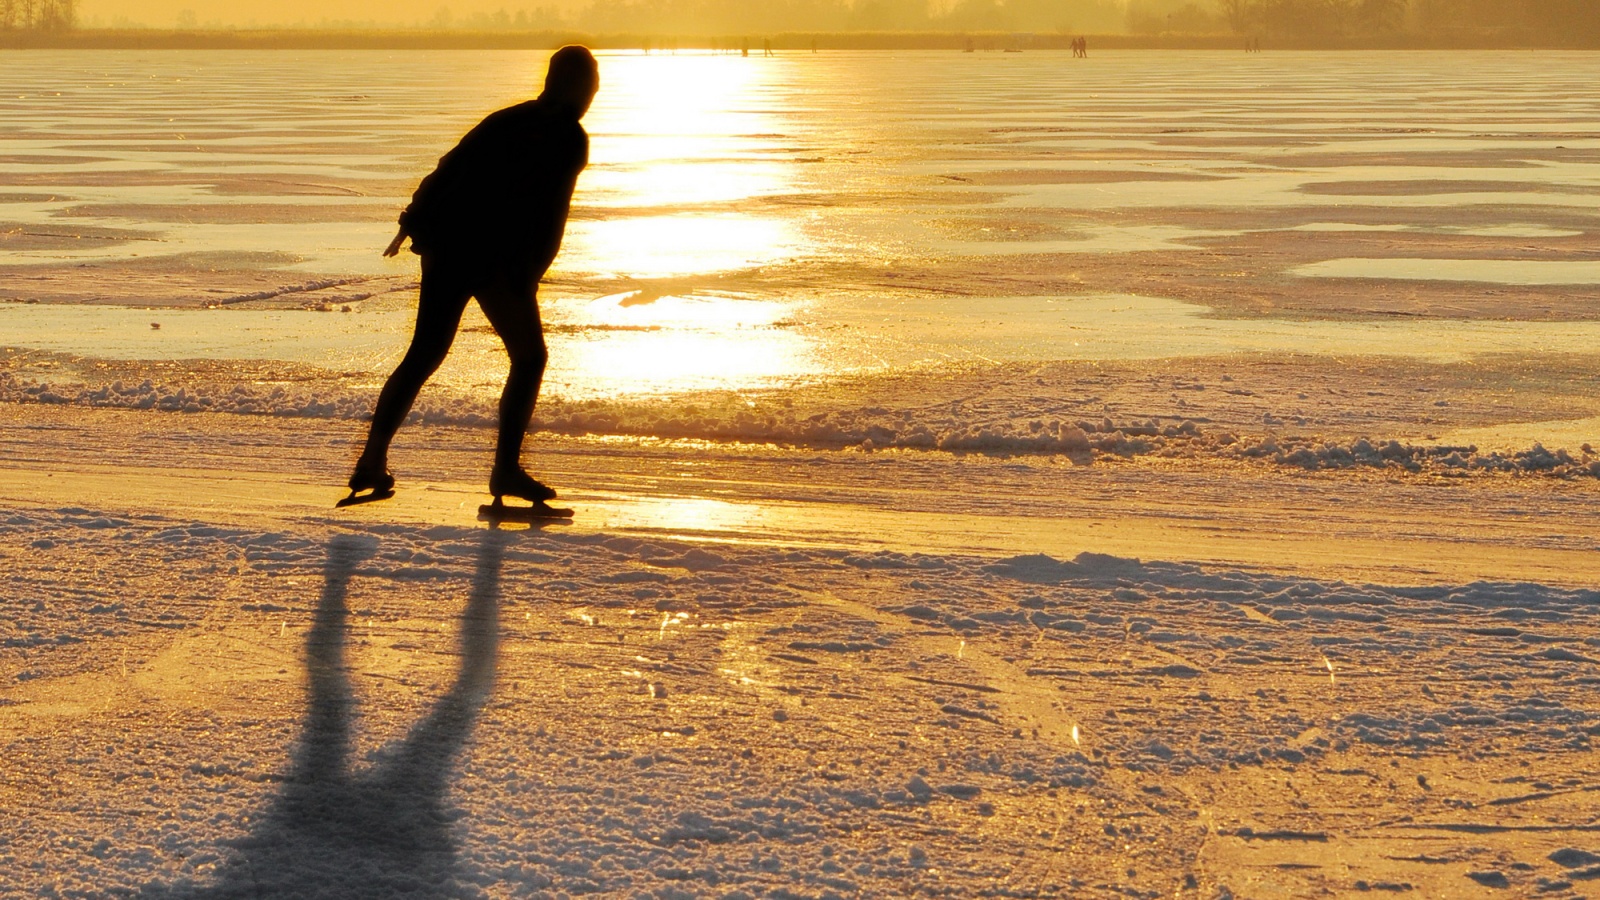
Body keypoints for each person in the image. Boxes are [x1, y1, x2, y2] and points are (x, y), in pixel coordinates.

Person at [342, 45, 598, 511]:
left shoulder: (508, 119)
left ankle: (371, 461)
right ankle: (505, 470)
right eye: (592, 83)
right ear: (577, 86)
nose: (595, 92)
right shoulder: (568, 136)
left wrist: (412, 221)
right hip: (495, 259)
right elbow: (538, 212)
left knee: (424, 354)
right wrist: (525, 276)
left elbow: (450, 166)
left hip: (449, 248)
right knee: (530, 357)